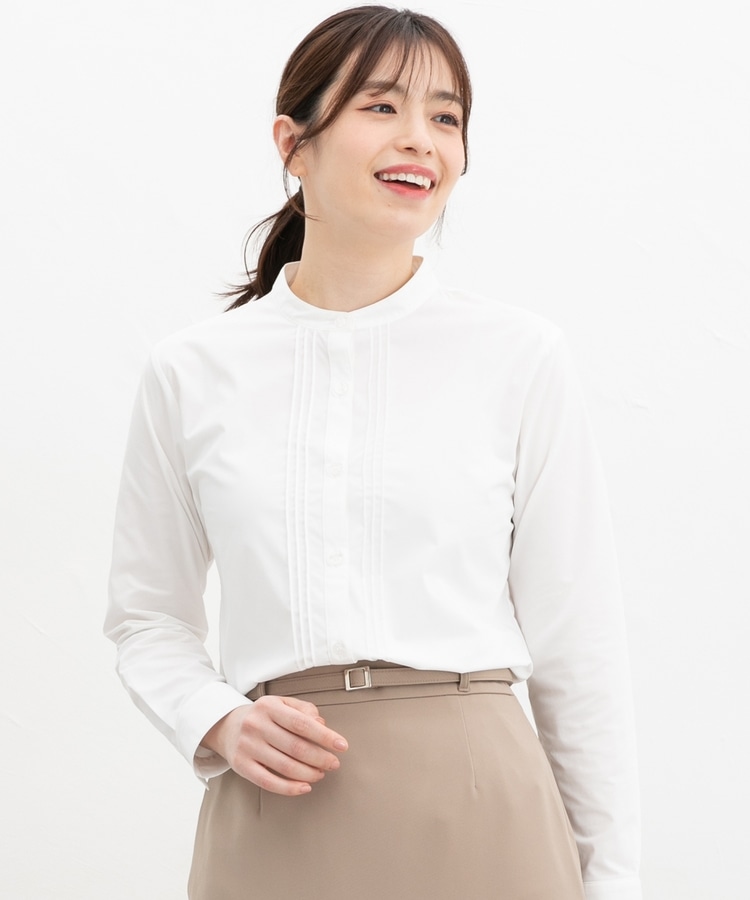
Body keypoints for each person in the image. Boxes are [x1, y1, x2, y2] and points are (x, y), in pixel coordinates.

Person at [105, 6, 642, 899]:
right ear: (293, 143)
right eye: (382, 106)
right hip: (277, 810)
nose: (421, 139)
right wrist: (216, 720)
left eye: (446, 117)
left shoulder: (518, 356)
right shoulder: (191, 371)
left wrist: (614, 882)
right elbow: (146, 617)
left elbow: (579, 643)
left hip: (483, 809)